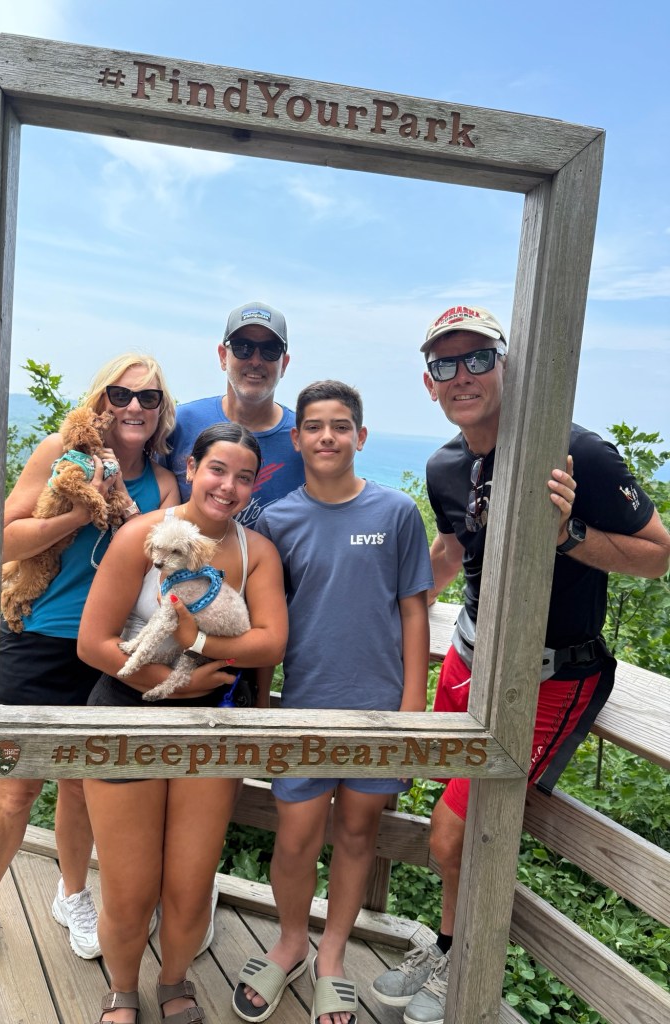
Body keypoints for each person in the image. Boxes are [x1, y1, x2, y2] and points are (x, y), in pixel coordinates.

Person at [372, 304, 670, 1024]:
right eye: (446, 364)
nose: (463, 374)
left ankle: (469, 967)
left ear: (507, 365)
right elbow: (453, 549)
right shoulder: (446, 464)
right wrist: (395, 609)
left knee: (453, 832)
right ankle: (450, 945)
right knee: (452, 812)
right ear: (428, 382)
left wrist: (570, 535)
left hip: (550, 675)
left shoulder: (577, 453)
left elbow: (657, 557)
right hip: (469, 654)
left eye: (479, 358)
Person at [233, 381, 433, 1024]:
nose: (327, 437)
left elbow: (413, 612)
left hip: (380, 710)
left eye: (341, 426)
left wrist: (409, 714)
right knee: (294, 839)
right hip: (302, 705)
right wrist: (263, 706)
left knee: (356, 835)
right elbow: (263, 623)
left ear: (361, 437)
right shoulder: (277, 519)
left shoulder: (397, 513)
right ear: (296, 439)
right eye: (315, 426)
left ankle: (333, 959)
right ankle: (292, 941)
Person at [0, 354, 180, 980]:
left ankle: (71, 897)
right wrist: (77, 514)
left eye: (149, 398)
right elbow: (2, 537)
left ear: (162, 410)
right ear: (101, 398)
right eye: (122, 393)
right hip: (40, 637)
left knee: (81, 785)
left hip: (111, 651)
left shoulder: (165, 484)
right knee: (14, 787)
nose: (135, 407)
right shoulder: (57, 453)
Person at [77, 422, 288, 1024]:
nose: (228, 485)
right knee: (128, 884)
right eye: (218, 469)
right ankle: (121, 989)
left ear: (253, 486)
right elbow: (93, 643)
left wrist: (196, 647)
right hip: (125, 715)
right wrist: (179, 682)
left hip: (214, 728)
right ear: (193, 467)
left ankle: (174, 981)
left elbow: (272, 642)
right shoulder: (140, 537)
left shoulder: (257, 553)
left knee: (191, 881)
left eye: (244, 476)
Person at [161, 300, 305, 527]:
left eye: (270, 350)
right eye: (242, 347)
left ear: (284, 364)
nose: (256, 360)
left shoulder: (304, 438)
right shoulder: (180, 423)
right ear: (222, 356)